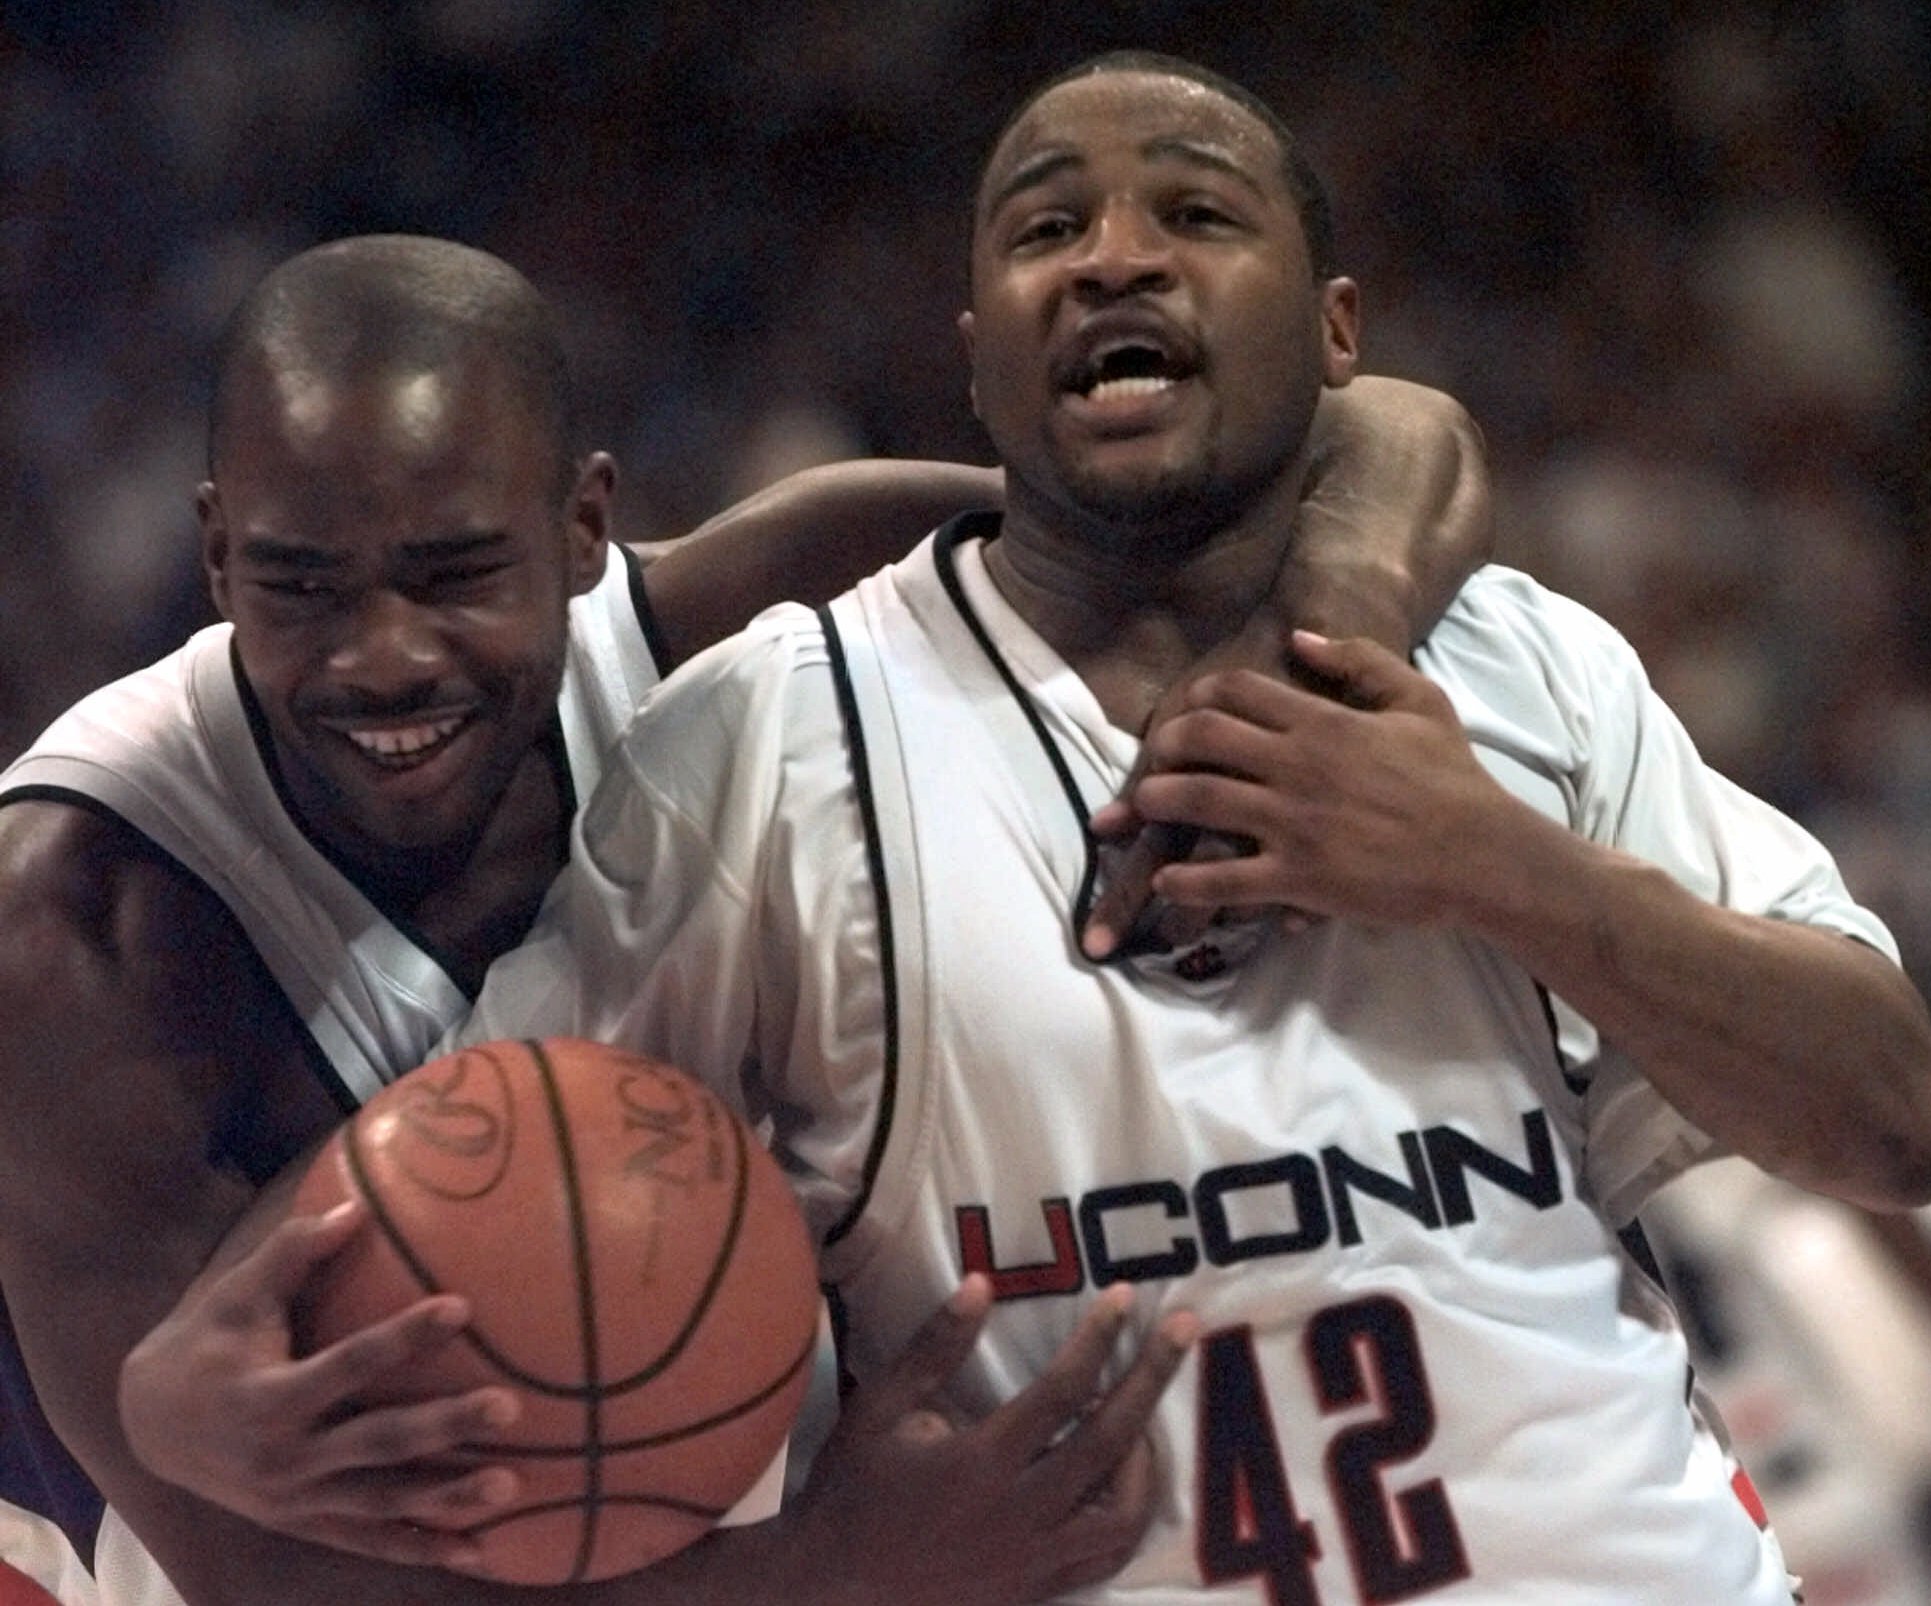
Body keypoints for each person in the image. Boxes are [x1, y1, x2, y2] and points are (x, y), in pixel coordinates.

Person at [417, 51, 1931, 1602]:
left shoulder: (1521, 662)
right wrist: (817, 1569)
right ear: (977, 362)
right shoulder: (767, 741)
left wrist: (1501, 866)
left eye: (1197, 210)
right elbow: (466, 1346)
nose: (1113, 255)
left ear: (1338, 328)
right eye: (1044, 230)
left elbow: (1896, 1124)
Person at [0, 232, 1489, 1606]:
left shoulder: (766, 626)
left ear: (585, 525)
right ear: (214, 558)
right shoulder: (69, 928)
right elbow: (267, 1585)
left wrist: (1337, 620)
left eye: (456, 574)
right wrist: (832, 1570)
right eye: (300, 585)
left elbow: (1365, 431)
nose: (380, 655)